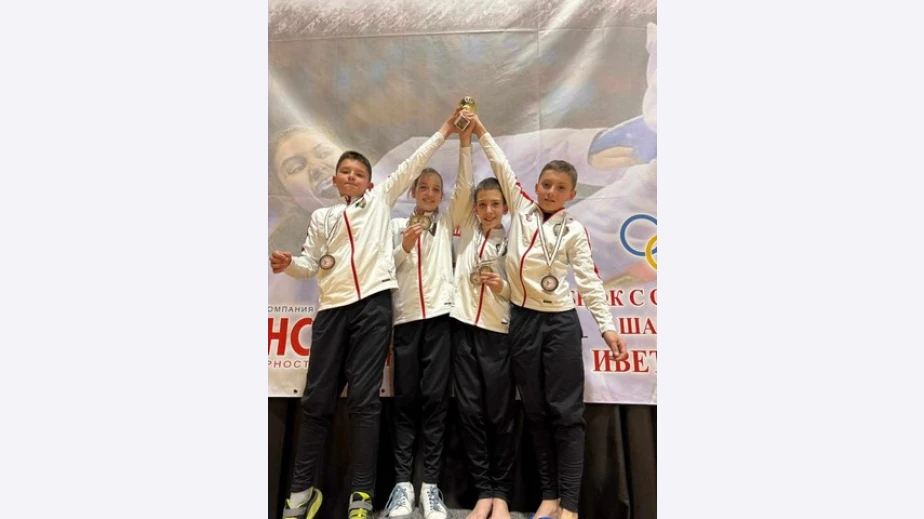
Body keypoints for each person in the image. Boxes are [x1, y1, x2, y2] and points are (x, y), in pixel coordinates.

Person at [269, 110, 460, 519]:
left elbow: (414, 161)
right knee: (316, 402)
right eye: (346, 172)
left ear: (370, 183)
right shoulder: (322, 218)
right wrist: (290, 265)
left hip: (373, 307)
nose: (352, 177)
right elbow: (310, 264)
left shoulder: (380, 202)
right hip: (332, 311)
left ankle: (362, 496)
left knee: (364, 403)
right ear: (337, 180)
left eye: (359, 173)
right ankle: (300, 493)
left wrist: (446, 129)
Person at [470, 112, 629, 519]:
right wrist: (481, 129)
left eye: (560, 187)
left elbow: (590, 281)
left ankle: (570, 505)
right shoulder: (521, 210)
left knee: (566, 415)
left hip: (559, 323)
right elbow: (500, 164)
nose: (550, 192)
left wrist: (607, 328)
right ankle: (549, 496)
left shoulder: (574, 231)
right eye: (545, 184)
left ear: (571, 194)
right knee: (537, 412)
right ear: (536, 185)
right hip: (523, 322)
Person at [382, 126, 474, 519]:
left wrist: (465, 143)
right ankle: (402, 486)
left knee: (436, 403)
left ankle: (430, 487)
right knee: (405, 403)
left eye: (437, 189)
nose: (431, 193)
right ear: (413, 191)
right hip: (405, 322)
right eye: (424, 187)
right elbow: (383, 270)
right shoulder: (393, 226)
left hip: (440, 322)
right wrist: (404, 245)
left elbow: (466, 187)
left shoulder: (448, 223)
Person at [447, 110, 517, 519]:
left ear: (505, 206)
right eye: (483, 205)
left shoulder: (516, 237)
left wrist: (501, 287)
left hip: (497, 334)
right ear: (474, 208)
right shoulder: (468, 231)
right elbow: (463, 183)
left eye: (495, 204)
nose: (488, 211)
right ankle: (483, 492)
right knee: (470, 413)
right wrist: (465, 140)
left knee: (500, 415)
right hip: (462, 329)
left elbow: (518, 291)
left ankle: (503, 494)